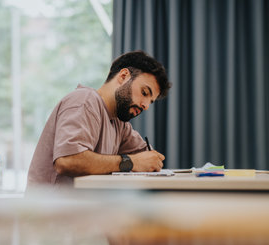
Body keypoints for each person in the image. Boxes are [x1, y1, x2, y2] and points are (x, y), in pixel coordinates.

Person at [27, 50, 172, 188]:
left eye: (150, 101)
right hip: (50, 210)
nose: (145, 106)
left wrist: (150, 160)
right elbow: (67, 160)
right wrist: (131, 162)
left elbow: (147, 157)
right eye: (144, 92)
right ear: (123, 76)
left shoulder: (119, 123)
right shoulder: (83, 101)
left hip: (82, 209)